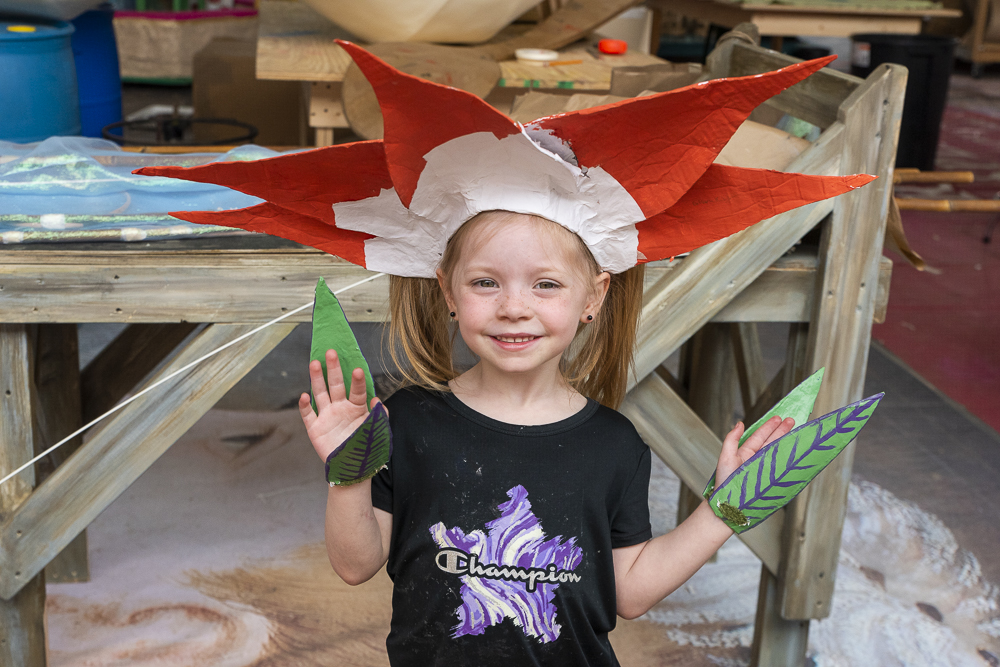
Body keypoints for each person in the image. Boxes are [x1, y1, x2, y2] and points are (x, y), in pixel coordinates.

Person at [298, 209, 795, 666]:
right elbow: (354, 565)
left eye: (546, 284)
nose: (514, 307)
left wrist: (722, 510)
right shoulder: (408, 420)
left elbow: (631, 592)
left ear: (592, 297)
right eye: (485, 282)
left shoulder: (615, 445)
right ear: (448, 291)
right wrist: (348, 471)